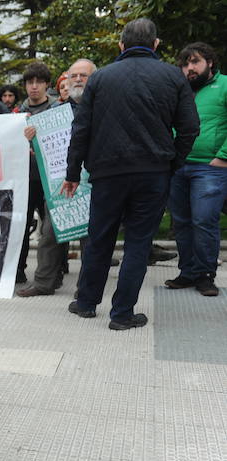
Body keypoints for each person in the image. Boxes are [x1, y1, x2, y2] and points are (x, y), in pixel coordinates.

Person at [63, 18, 200, 330]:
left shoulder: (100, 79)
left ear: (121, 46)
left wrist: (72, 172)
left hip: (107, 173)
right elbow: (191, 127)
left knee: (99, 238)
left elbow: (81, 130)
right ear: (155, 45)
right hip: (153, 173)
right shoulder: (173, 77)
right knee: (138, 242)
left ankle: (86, 303)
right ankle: (122, 313)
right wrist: (173, 163)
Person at [165, 42, 227, 297]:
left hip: (210, 167)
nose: (189, 68)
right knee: (181, 222)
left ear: (210, 63)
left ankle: (205, 275)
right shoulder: (180, 90)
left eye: (195, 62)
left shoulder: (224, 85)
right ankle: (188, 272)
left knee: (204, 220)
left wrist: (223, 157)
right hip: (179, 166)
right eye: (185, 64)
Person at [14, 62, 63, 295]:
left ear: (46, 84)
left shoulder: (58, 110)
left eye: (38, 82)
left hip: (52, 178)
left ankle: (56, 273)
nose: (34, 87)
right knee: (22, 225)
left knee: (53, 227)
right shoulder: (16, 114)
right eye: (29, 82)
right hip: (26, 178)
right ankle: (20, 271)